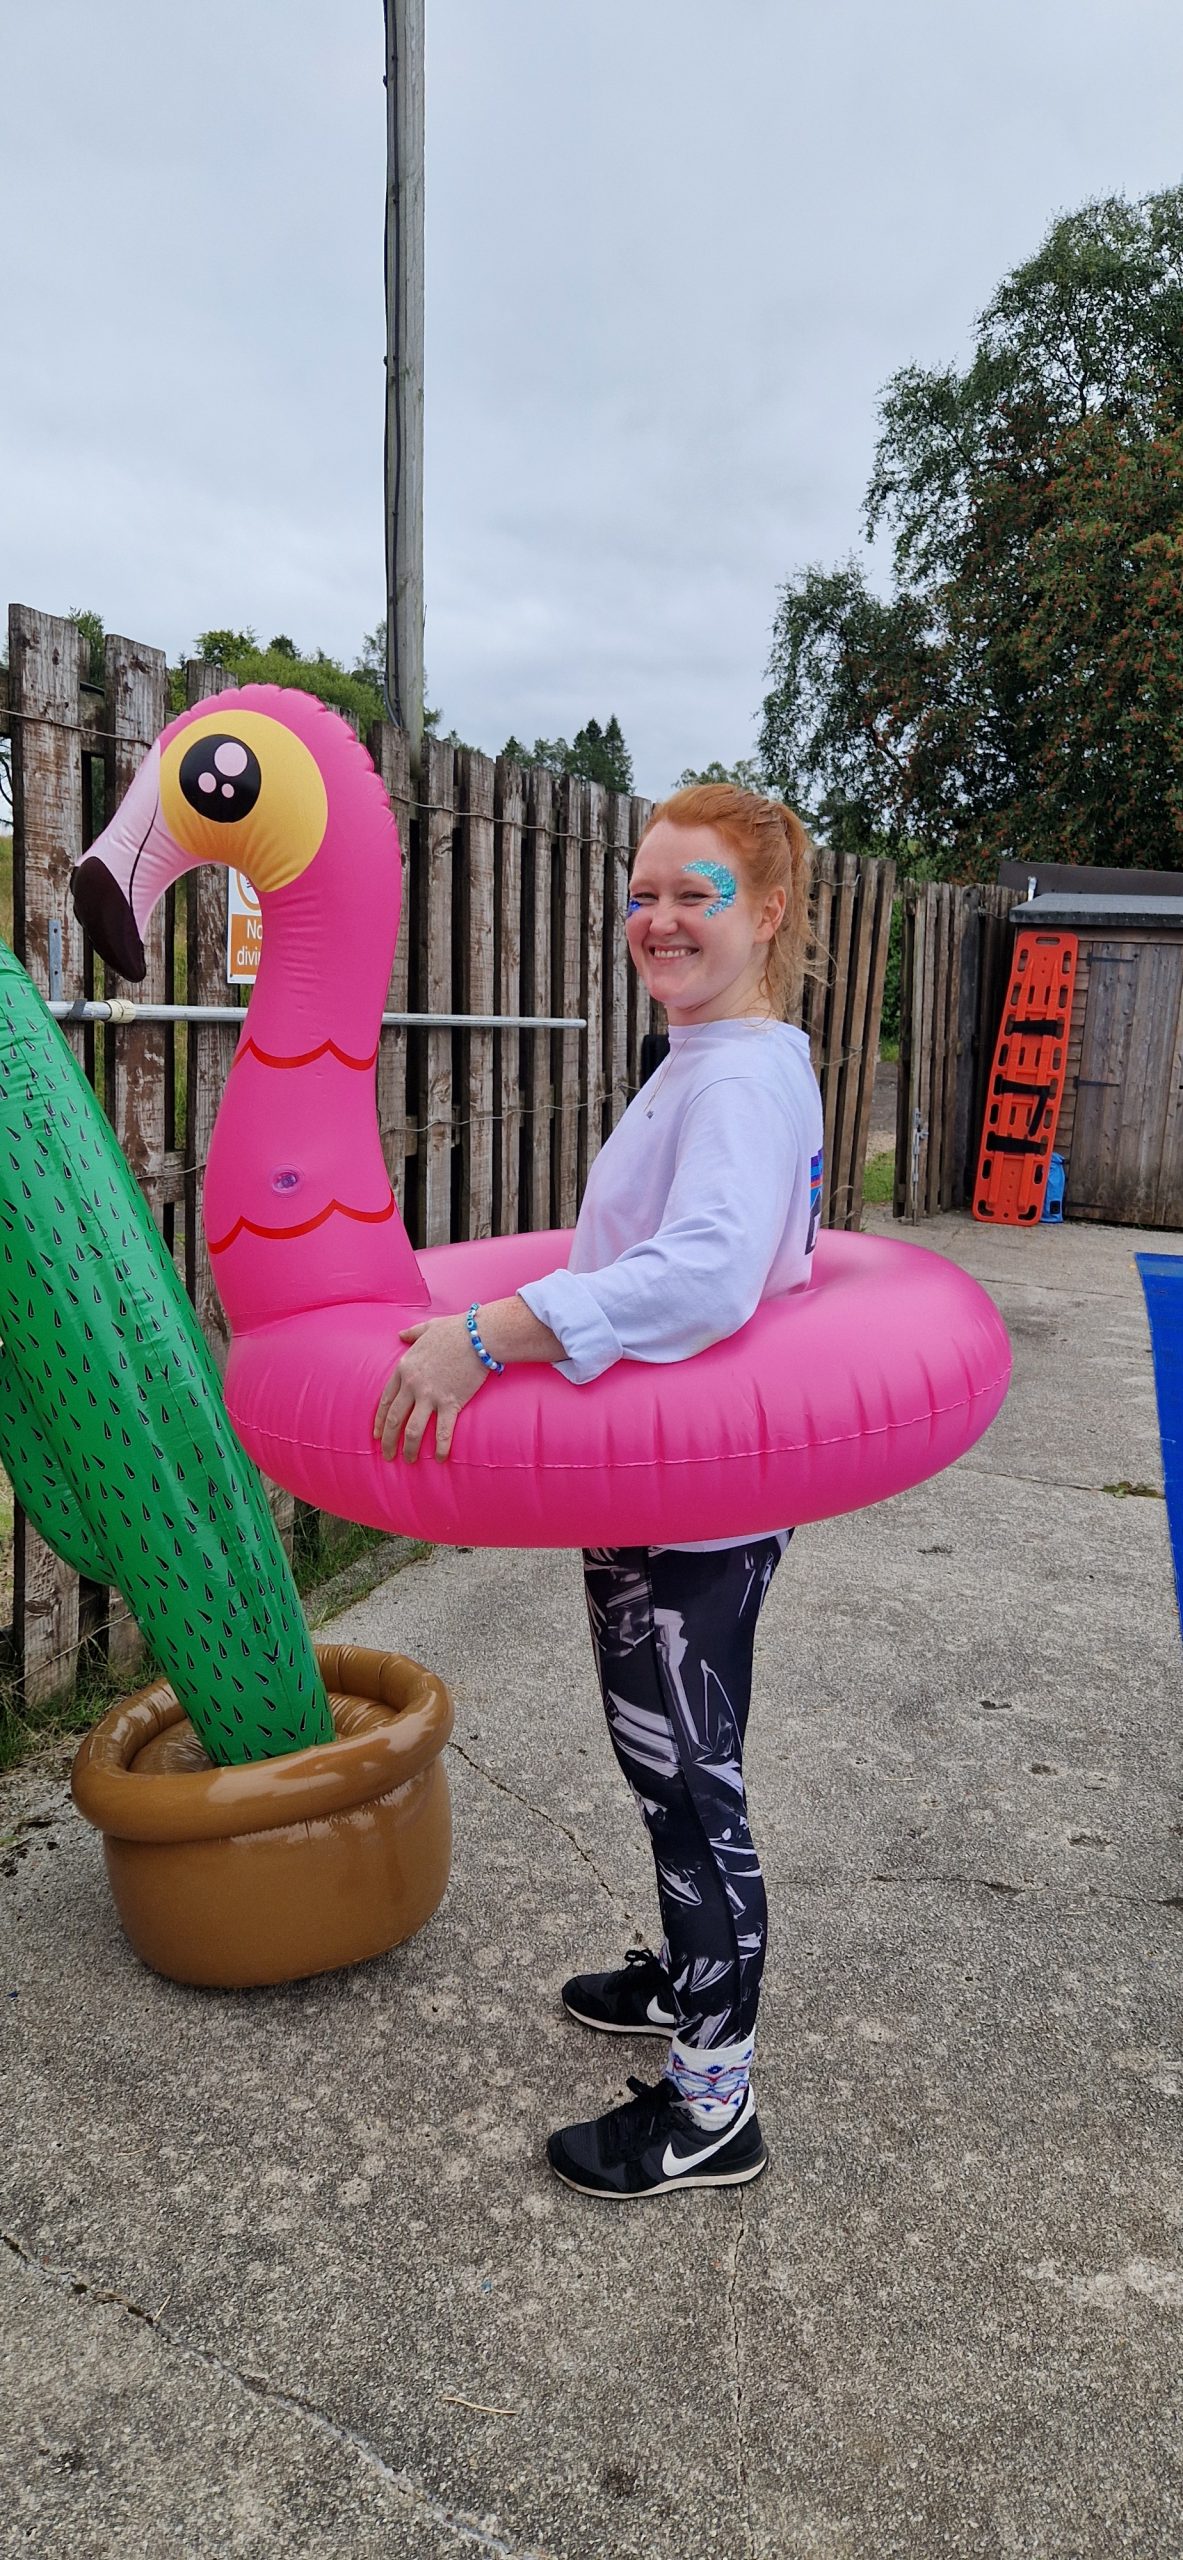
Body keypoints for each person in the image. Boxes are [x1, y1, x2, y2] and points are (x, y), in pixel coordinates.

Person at [374, 784, 824, 2199]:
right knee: (660, 1767)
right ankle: (690, 1980)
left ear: (767, 911)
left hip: (697, 1502)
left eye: (695, 894)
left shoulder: (737, 1080)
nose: (660, 920)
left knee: (693, 1784)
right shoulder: (714, 1056)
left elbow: (707, 1273)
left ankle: (714, 2108)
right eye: (644, 895)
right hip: (655, 1481)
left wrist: (492, 1335)